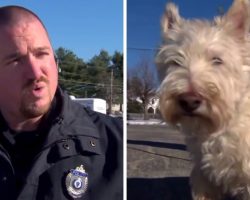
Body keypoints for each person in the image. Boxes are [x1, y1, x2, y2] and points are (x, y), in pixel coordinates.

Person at [0, 5, 123, 200]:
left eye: (41, 54)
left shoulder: (116, 142)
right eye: (16, 60)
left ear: (56, 62)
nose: (35, 72)